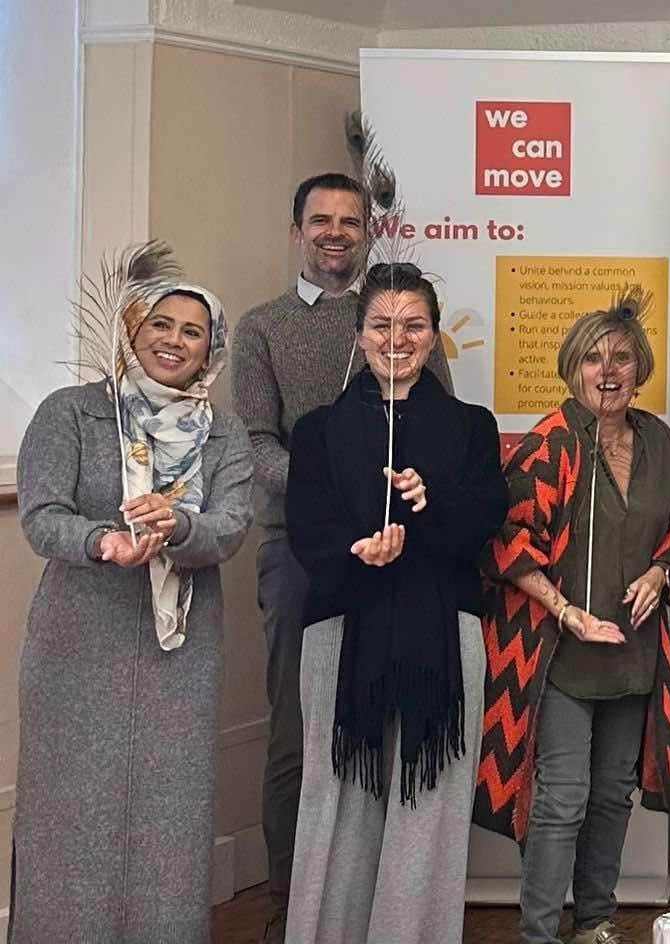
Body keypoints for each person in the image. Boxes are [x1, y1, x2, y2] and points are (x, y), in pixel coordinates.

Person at [230, 171, 453, 942]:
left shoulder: (400, 315)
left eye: (349, 221)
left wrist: (389, 507)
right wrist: (341, 492)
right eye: (319, 220)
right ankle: (296, 912)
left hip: (404, 551)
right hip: (305, 551)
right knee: (303, 734)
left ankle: (381, 910)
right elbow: (256, 447)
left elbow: (438, 426)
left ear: (368, 231)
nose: (335, 232)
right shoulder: (260, 328)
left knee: (389, 727)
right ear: (297, 231)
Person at [13, 281, 253, 942]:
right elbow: (41, 518)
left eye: (192, 330)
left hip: (178, 651)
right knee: (71, 820)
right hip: (78, 646)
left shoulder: (224, 433)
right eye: (161, 323)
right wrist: (104, 541)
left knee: (167, 821)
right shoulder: (72, 413)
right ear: (132, 330)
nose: (174, 340)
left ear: (212, 347)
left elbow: (229, 528)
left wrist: (176, 525)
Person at [283, 263, 508, 943]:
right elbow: (306, 526)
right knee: (338, 801)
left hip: (442, 627)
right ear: (358, 336)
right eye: (381, 324)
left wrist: (427, 503)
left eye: (413, 324)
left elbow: (485, 518)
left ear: (435, 337)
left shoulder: (472, 426)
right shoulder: (317, 429)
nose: (396, 338)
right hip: (343, 627)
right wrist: (361, 551)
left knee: (430, 808)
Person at [476, 294, 670, 944]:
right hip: (561, 654)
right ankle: (541, 933)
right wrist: (565, 610)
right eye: (593, 358)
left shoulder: (660, 441)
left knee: (612, 794)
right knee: (562, 799)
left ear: (641, 368)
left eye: (622, 357)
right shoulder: (553, 441)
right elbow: (508, 541)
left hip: (632, 654)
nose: (608, 370)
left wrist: (663, 570)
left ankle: (596, 923)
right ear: (573, 368)